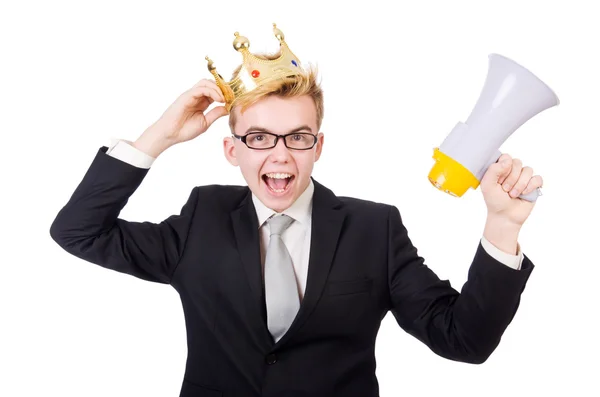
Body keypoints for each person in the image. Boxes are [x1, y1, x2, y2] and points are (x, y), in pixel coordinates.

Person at [50, 25, 542, 397]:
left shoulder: (374, 229)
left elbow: (464, 341)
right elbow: (78, 231)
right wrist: (159, 135)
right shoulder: (201, 219)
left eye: (298, 137)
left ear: (318, 146)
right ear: (232, 150)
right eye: (259, 138)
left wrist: (502, 226)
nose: (280, 155)